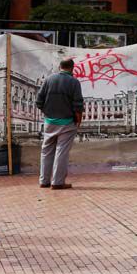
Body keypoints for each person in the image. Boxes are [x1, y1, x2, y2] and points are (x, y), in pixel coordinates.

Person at [36, 58, 84, 190]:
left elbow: (39, 101)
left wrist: (48, 113)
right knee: (61, 152)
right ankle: (57, 182)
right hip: (67, 123)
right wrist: (78, 121)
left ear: (60, 66)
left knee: (46, 151)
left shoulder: (49, 79)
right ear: (72, 68)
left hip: (49, 122)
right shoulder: (74, 82)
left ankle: (44, 181)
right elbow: (78, 105)